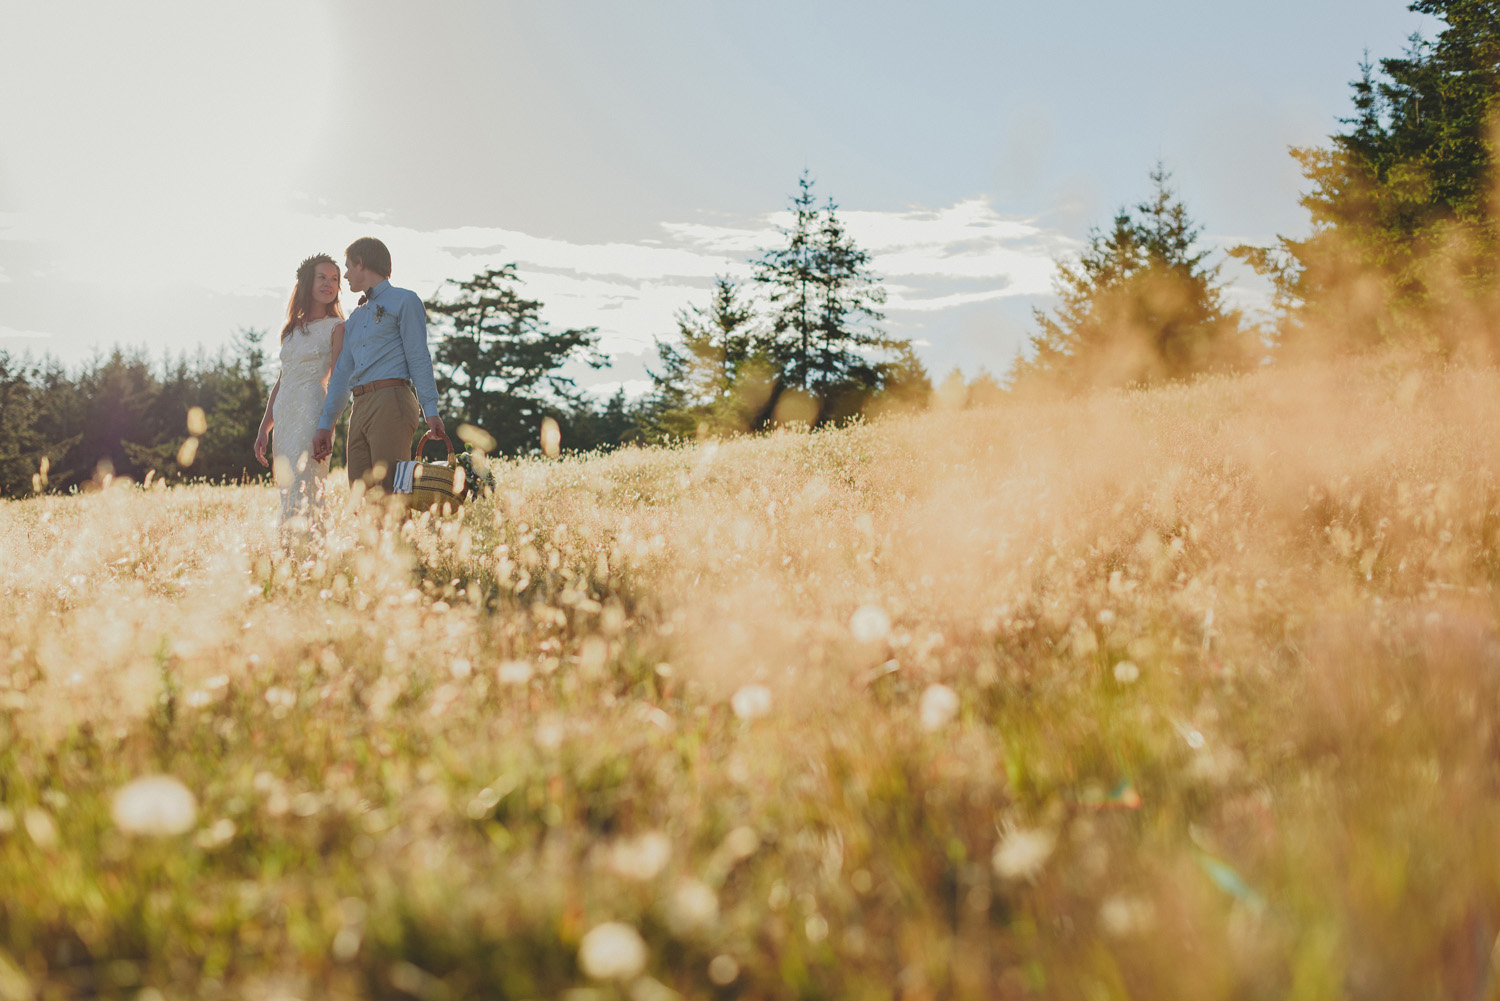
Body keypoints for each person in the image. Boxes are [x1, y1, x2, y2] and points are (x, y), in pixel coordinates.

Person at [310, 237, 449, 496]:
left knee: (390, 492)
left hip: (391, 400)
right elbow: (341, 374)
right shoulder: (356, 318)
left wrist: (430, 409)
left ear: (361, 264)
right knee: (360, 495)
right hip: (359, 406)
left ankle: (400, 537)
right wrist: (325, 424)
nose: (347, 276)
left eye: (349, 267)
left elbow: (418, 356)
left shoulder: (404, 301)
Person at [254, 253, 345, 531]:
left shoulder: (338, 327)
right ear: (307, 282)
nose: (329, 284)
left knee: (307, 484)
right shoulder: (291, 329)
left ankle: (314, 556)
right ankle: (290, 555)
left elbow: (339, 380)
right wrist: (263, 429)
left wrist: (327, 426)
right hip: (284, 416)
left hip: (312, 414)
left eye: (335, 279)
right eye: (322, 277)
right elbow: (282, 380)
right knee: (287, 486)